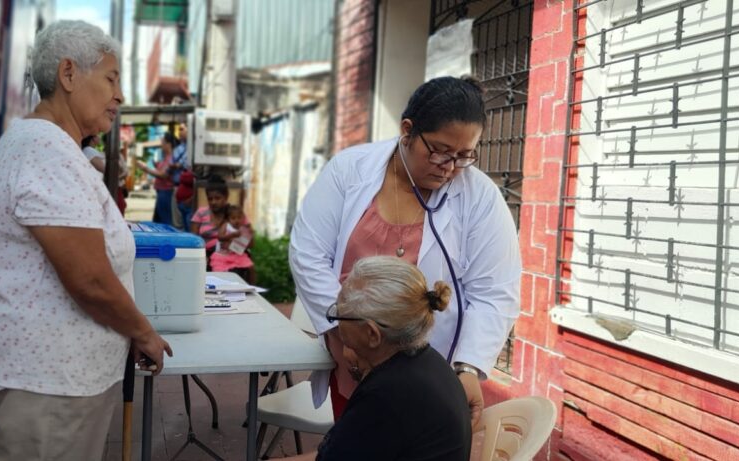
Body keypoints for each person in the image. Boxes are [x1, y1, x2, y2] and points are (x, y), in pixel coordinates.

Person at [0, 20, 172, 461]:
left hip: (52, 381)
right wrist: (142, 330)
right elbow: (89, 279)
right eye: (111, 79)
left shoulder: (50, 146)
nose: (120, 95)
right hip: (49, 385)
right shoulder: (45, 150)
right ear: (69, 75)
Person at [289, 76, 521, 427]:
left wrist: (469, 366)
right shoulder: (349, 170)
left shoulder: (480, 197)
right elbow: (307, 254)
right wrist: (344, 333)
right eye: (440, 150)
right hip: (352, 357)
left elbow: (494, 291)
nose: (449, 166)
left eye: (464, 155)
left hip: (429, 373)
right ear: (407, 130)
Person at [280, 256, 470, 461]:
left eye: (339, 314)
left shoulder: (386, 394)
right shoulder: (425, 363)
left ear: (372, 334)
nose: (334, 320)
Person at [190, 175, 236, 259]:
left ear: (226, 197)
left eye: (217, 198)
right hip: (204, 257)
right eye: (210, 199)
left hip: (229, 256)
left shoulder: (234, 214)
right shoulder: (201, 213)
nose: (213, 202)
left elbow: (247, 240)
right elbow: (193, 241)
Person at [138, 131, 178, 225]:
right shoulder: (166, 157)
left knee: (165, 220)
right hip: (161, 192)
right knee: (159, 220)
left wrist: (145, 168)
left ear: (168, 144)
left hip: (166, 192)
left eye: (163, 142)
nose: (161, 145)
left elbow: (163, 175)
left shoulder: (171, 157)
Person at [209, 204, 255, 281]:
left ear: (243, 219)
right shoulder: (226, 226)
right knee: (218, 270)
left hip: (237, 255)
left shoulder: (243, 229)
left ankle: (251, 287)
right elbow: (220, 237)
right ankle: (218, 284)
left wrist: (251, 236)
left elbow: (251, 246)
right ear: (228, 219)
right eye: (233, 218)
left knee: (251, 267)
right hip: (223, 255)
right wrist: (232, 235)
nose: (236, 220)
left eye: (239, 218)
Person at [171, 123, 190, 229]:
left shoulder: (192, 148)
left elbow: (180, 165)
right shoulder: (178, 148)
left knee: (185, 224)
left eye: (182, 129)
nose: (180, 132)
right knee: (177, 223)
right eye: (179, 129)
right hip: (177, 187)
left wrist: (177, 165)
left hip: (188, 191)